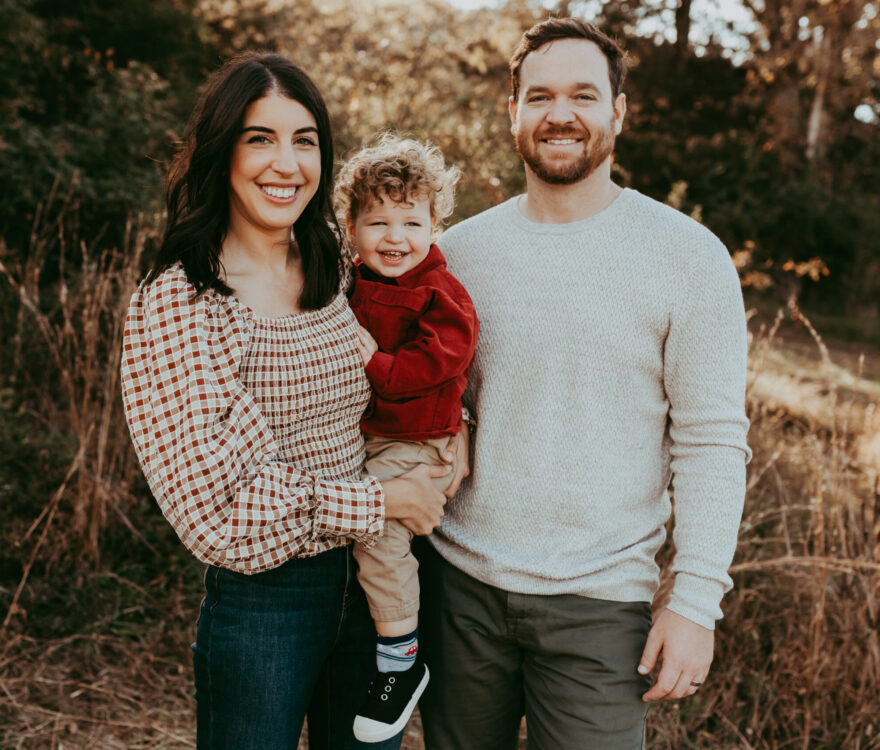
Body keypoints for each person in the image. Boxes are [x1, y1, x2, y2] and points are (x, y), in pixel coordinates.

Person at [415, 17, 752, 750]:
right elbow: (426, 397)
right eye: (539, 96)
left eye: (583, 96)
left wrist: (694, 602)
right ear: (513, 113)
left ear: (618, 112)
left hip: (601, 605)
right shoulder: (455, 254)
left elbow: (712, 441)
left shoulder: (689, 258)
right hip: (458, 590)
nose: (559, 114)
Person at [120, 52, 464, 750]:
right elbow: (219, 507)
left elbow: (434, 342)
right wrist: (384, 500)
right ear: (222, 151)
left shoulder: (342, 261)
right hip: (267, 601)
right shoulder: (180, 303)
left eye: (304, 140)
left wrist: (452, 451)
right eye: (260, 138)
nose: (287, 163)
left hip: (377, 586)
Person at [332, 135, 479, 743]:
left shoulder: (439, 289)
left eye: (411, 222)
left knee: (379, 533)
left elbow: (444, 358)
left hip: (418, 440)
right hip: (378, 436)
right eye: (378, 222)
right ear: (352, 226)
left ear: (436, 225)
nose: (395, 237)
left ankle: (401, 657)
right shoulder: (351, 278)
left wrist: (377, 364)